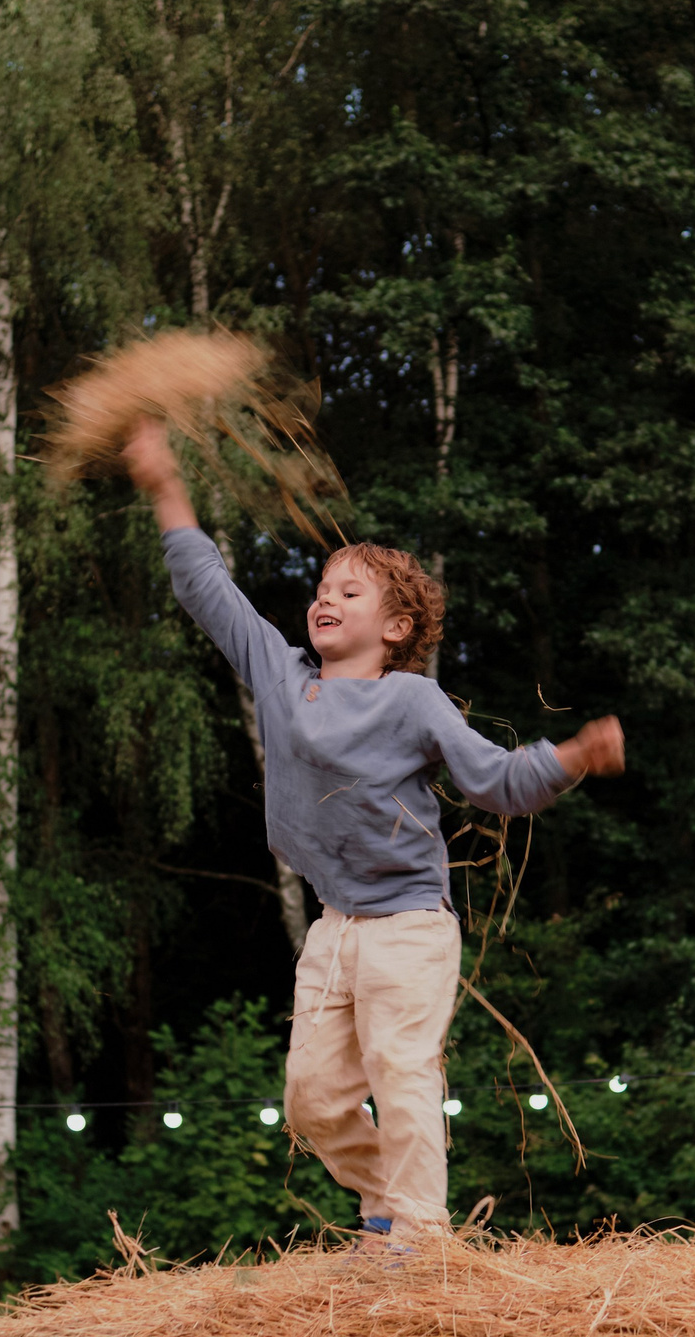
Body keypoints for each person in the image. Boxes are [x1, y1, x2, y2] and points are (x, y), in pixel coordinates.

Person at [124, 418, 625, 1252]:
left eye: (351, 592)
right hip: (335, 927)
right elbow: (206, 587)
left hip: (409, 924)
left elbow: (495, 782)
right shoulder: (281, 678)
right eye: (322, 586)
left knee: (401, 1070)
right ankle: (385, 1202)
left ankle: (420, 1242)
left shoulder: (411, 700)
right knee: (311, 1101)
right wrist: (165, 485)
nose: (326, 597)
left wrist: (573, 755)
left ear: (396, 628)